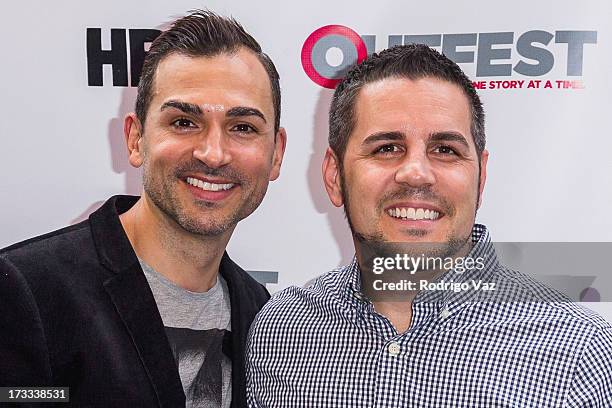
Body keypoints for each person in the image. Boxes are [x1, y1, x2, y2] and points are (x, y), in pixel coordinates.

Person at [246, 44, 612, 407]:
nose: (416, 174)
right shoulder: (281, 329)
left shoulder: (579, 354)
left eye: (446, 150)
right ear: (334, 176)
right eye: (387, 148)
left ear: (480, 178)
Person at [0, 10, 286, 408]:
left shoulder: (265, 315)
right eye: (184, 122)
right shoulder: (24, 289)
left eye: (242, 127)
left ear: (276, 154)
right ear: (136, 139)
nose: (213, 154)